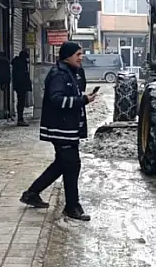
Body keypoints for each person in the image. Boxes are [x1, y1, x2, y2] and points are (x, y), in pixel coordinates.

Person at [20, 42, 96, 221]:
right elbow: (56, 99)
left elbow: (77, 91)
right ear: (67, 56)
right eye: (78, 54)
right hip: (60, 128)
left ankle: (31, 193)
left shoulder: (71, 72)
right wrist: (82, 100)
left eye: (81, 54)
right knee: (72, 165)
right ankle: (72, 206)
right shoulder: (58, 74)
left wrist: (83, 95)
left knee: (62, 164)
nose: (81, 57)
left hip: (67, 128)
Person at [11, 49, 32, 126]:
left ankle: (20, 118)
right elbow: (24, 76)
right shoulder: (21, 64)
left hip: (18, 86)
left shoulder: (17, 63)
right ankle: (20, 119)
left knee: (20, 102)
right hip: (21, 86)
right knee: (21, 102)